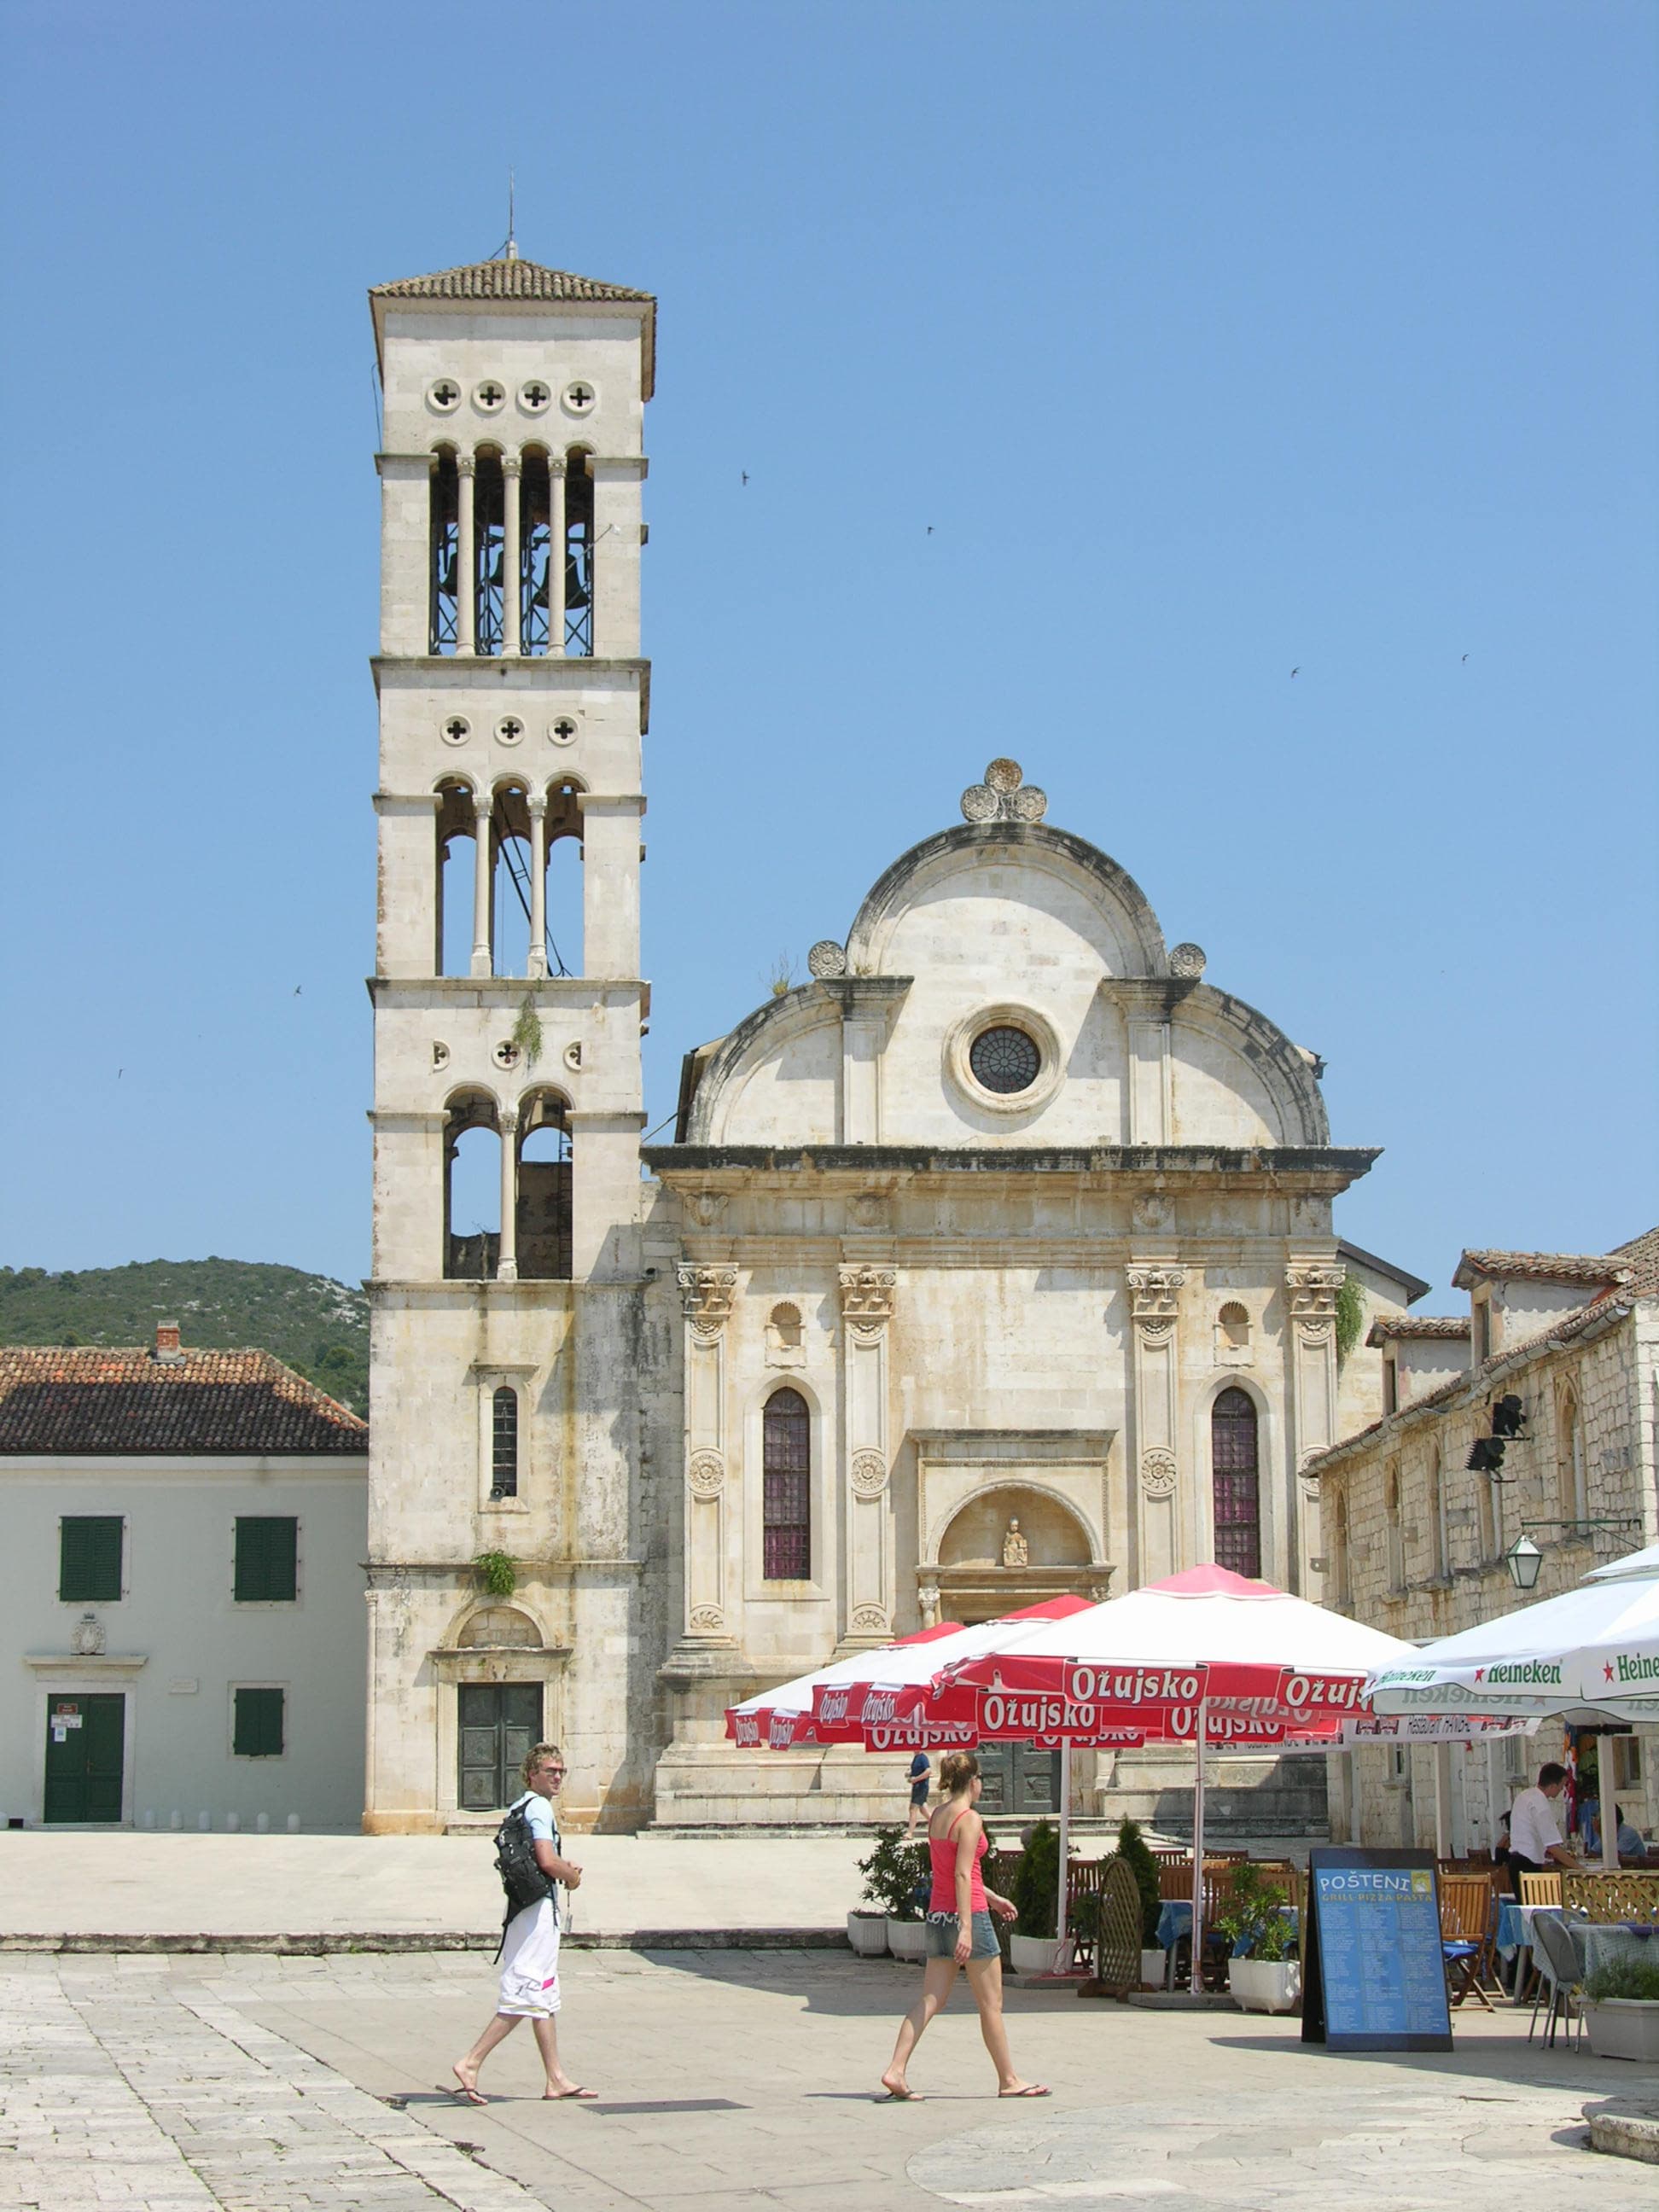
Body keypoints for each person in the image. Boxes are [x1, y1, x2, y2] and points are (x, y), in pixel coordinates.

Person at [879, 1749, 1049, 2103]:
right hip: (965, 1916)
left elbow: (959, 1871)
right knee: (991, 2004)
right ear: (973, 1782)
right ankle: (1009, 2079)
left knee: (930, 1999)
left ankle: (896, 2069)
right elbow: (960, 1874)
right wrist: (969, 1927)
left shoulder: (937, 1815)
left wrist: (994, 1898)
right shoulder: (969, 1819)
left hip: (938, 1916)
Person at [452, 1743, 595, 2104]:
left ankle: (556, 2078)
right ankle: (471, 2061)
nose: (558, 1777)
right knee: (526, 1990)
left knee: (543, 1993)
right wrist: (571, 1876)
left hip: (520, 1911)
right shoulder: (540, 1807)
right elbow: (547, 1860)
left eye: (561, 1771)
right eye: (551, 1771)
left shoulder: (518, 1806)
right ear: (532, 1774)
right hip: (536, 1912)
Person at [1508, 1761, 1581, 1877]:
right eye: (1561, 1785)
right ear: (1553, 1785)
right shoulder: (1540, 1805)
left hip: (1515, 1860)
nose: (1562, 1789)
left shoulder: (1524, 1796)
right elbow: (1552, 1845)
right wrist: (1579, 1868)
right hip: (1528, 1863)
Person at [905, 1748, 932, 1839]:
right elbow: (918, 1770)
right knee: (923, 1810)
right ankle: (938, 1825)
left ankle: (910, 1833)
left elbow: (928, 1771)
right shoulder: (916, 1758)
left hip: (921, 1787)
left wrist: (916, 1779)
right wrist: (910, 1773)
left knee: (913, 1809)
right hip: (917, 1787)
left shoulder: (923, 1757)